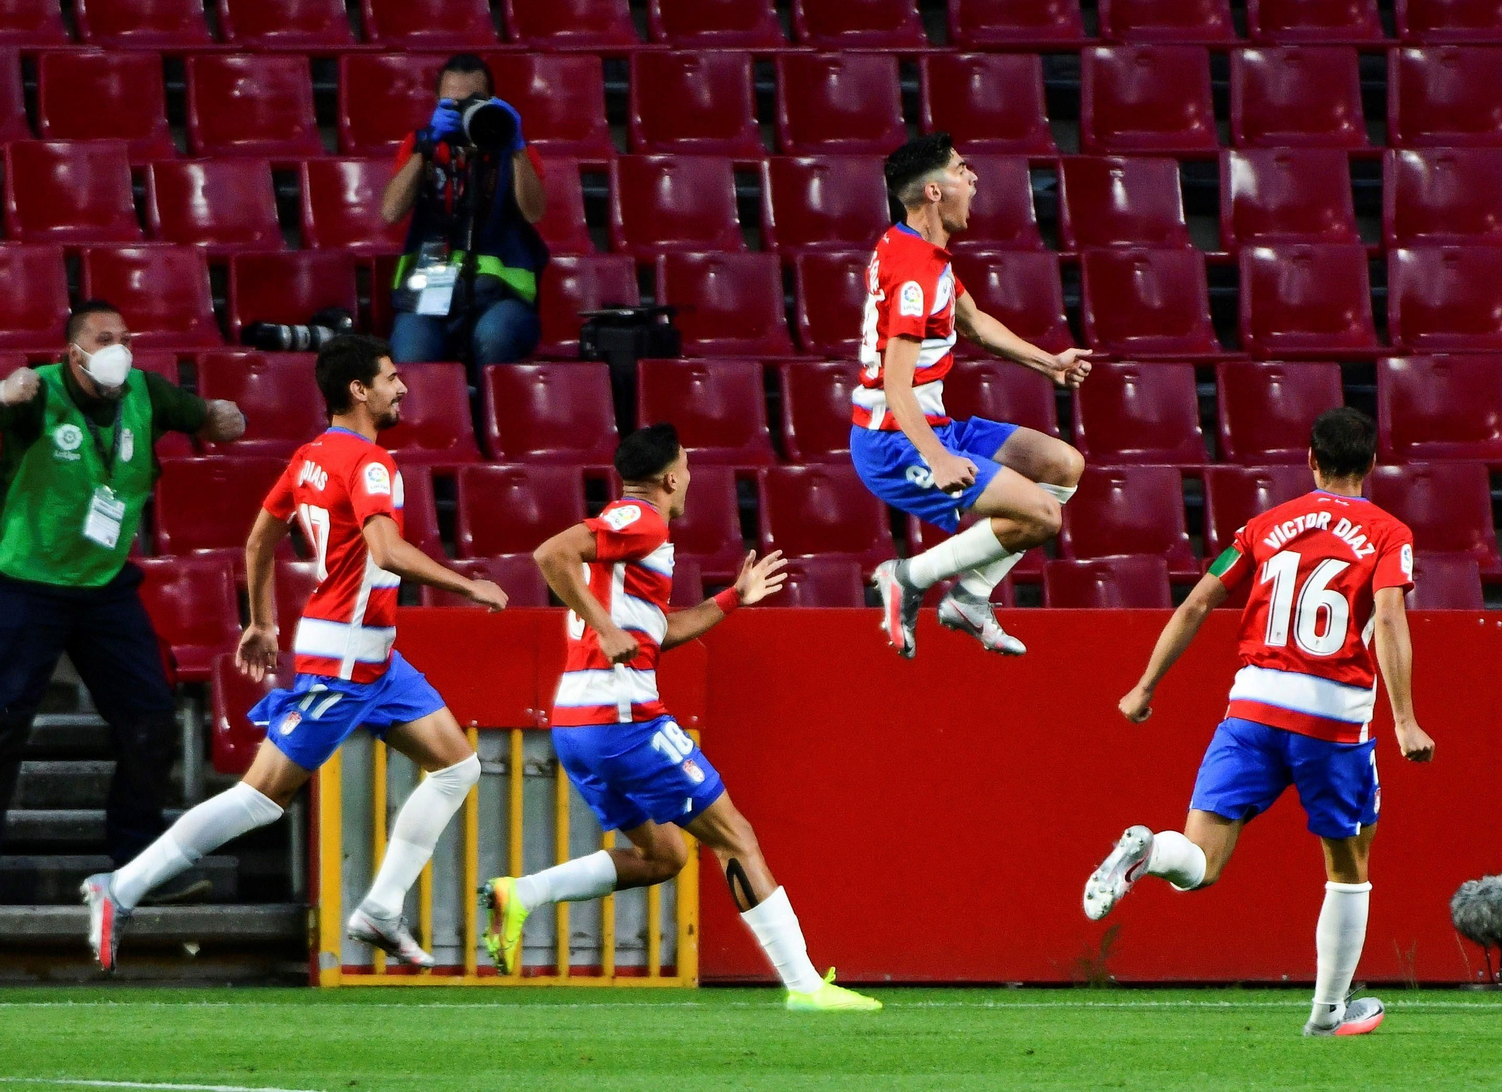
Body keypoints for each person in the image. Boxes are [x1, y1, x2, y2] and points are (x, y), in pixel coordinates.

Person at [82, 335, 509, 973]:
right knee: (261, 796)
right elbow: (387, 551)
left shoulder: (310, 456)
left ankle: (382, 910)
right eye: (391, 378)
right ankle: (120, 887)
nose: (402, 389)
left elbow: (259, 540)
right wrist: (469, 584)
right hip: (342, 660)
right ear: (359, 390)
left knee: (458, 768)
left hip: (377, 659)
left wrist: (262, 622)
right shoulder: (370, 463)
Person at [479, 424, 880, 1013]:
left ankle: (524, 893)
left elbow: (660, 632)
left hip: (578, 726)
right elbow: (550, 554)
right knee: (736, 837)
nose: (689, 478)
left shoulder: (633, 549)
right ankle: (805, 987)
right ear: (670, 478)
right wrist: (606, 627)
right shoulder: (641, 520)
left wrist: (732, 598)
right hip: (624, 722)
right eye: (687, 469)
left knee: (664, 856)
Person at [1082, 408, 1437, 1038]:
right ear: (1372, 465)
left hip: (1250, 709)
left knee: (1200, 863)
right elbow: (1387, 617)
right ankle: (1328, 1013)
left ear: (1311, 459)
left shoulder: (1261, 527)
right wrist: (1405, 720)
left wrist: (1144, 687)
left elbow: (1197, 601)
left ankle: (1152, 851)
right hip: (1332, 719)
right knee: (1348, 867)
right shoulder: (1389, 533)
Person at [0, 301, 245, 900]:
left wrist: (220, 418)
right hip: (28, 583)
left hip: (105, 586)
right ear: (73, 352)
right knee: (5, 725)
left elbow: (206, 418)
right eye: (103, 338)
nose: (119, 348)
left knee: (149, 720)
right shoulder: (38, 394)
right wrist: (5, 395)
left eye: (125, 337)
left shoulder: (147, 392)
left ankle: (136, 866)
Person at [855, 133, 1094, 659]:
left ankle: (970, 596)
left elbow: (975, 323)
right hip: (895, 440)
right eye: (962, 169)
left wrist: (1047, 362)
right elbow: (896, 385)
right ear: (935, 192)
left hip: (933, 423)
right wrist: (937, 459)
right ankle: (907, 576)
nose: (974, 178)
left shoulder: (921, 250)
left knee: (1062, 464)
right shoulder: (914, 274)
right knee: (1042, 517)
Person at [380, 53, 549, 376]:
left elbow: (535, 212)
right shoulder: (421, 144)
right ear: (437, 103)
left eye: (473, 102)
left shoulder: (515, 151)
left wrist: (514, 146)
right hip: (429, 290)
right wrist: (427, 148)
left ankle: (497, 425)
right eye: (451, 104)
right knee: (411, 350)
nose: (462, 112)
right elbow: (390, 212)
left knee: (495, 335)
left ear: (492, 101)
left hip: (501, 297)